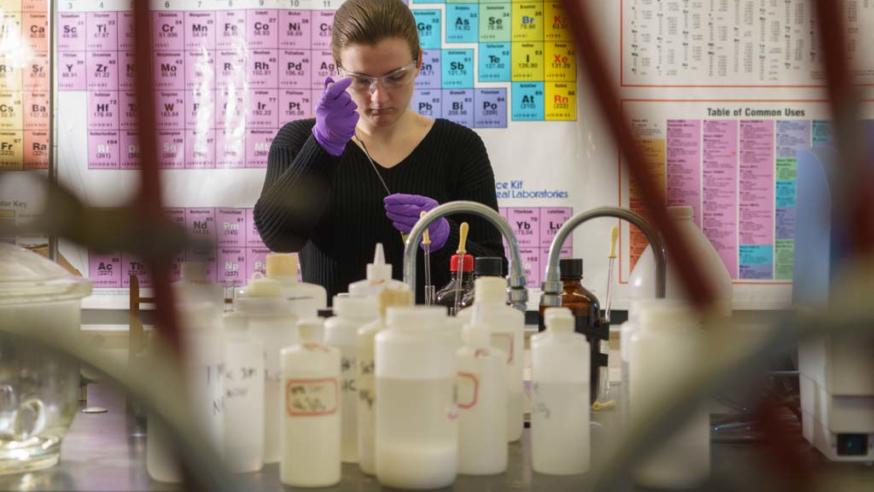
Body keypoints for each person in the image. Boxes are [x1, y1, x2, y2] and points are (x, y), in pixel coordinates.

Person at [254, 0, 504, 302]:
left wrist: (446, 237)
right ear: (337, 69)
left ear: (419, 62)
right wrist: (322, 145)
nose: (378, 97)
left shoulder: (460, 147)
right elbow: (279, 237)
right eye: (361, 80)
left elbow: (494, 271)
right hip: (330, 342)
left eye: (395, 76)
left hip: (434, 340)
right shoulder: (297, 141)